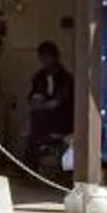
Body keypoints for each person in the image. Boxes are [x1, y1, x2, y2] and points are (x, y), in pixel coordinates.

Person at [22, 41, 74, 171]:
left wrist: (42, 105)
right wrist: (37, 101)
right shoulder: (39, 76)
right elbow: (34, 97)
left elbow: (57, 103)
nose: (45, 61)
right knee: (32, 132)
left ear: (55, 57)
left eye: (47, 57)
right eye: (42, 57)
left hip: (61, 121)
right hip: (40, 120)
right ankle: (30, 169)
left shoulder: (66, 78)